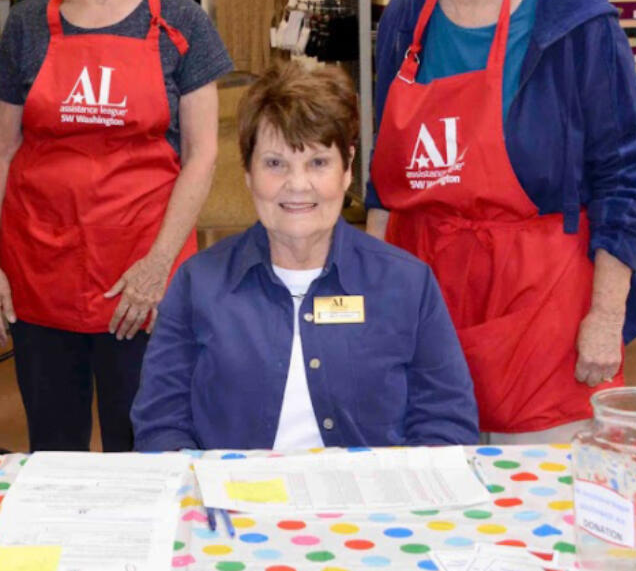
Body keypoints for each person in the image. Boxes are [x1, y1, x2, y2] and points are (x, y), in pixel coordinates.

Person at [369, 0, 636, 443]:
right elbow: (383, 185)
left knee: (542, 505)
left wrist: (605, 316)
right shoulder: (404, 18)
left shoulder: (571, 12)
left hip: (545, 305)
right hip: (430, 299)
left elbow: (624, 173)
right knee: (438, 496)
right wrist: (375, 313)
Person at [0, 0, 232, 452]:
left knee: (142, 442)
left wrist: (157, 265)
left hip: (141, 274)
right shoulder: (25, 27)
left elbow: (203, 154)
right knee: (53, 445)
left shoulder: (180, 20)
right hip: (40, 271)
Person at [132, 64, 478, 450]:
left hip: (369, 504)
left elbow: (446, 422)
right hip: (234, 503)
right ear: (247, 172)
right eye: (275, 163)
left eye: (318, 162)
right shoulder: (197, 285)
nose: (297, 185)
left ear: (347, 169)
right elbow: (161, 423)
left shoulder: (408, 285)